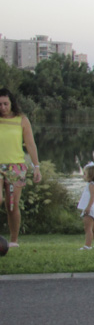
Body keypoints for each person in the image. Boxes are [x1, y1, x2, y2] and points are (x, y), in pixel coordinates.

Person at [0, 88, 41, 248]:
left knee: (11, 205)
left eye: (5, 104)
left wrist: (36, 166)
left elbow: (30, 144)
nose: (2, 107)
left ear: (11, 103)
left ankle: (13, 240)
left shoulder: (21, 120)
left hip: (15, 167)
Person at [77, 163, 94, 250]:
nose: (83, 176)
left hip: (90, 209)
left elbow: (92, 197)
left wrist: (88, 207)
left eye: (85, 174)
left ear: (90, 175)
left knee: (87, 228)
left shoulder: (91, 185)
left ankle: (87, 246)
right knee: (93, 229)